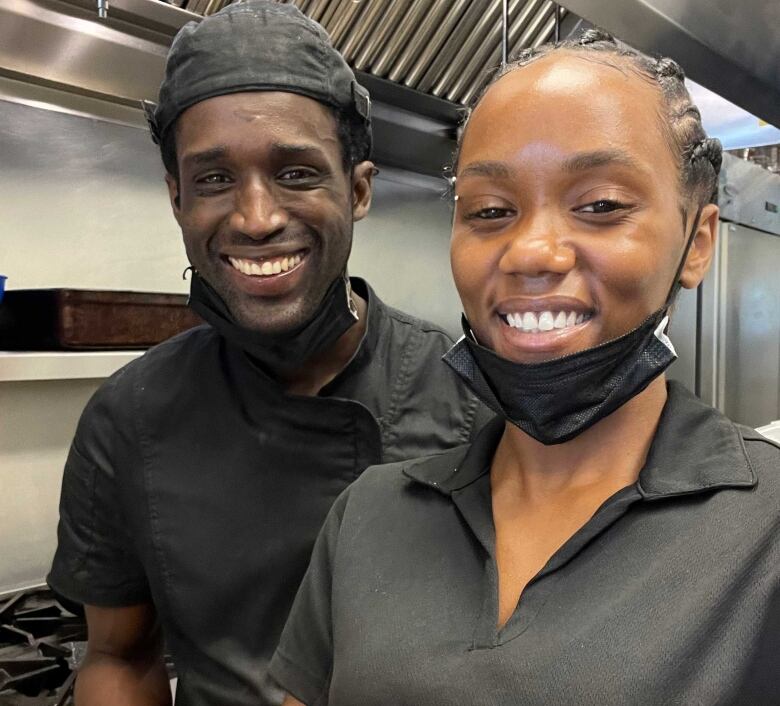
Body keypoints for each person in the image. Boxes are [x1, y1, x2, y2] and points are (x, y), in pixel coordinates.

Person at [271, 30, 780, 706]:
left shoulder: (763, 530)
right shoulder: (371, 515)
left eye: (600, 206)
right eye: (490, 211)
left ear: (698, 242)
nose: (530, 252)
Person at [46, 3, 489, 705]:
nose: (257, 218)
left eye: (296, 173)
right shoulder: (128, 417)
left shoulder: (476, 398)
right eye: (214, 180)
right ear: (177, 199)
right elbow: (120, 656)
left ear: (359, 189)